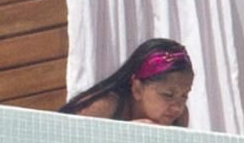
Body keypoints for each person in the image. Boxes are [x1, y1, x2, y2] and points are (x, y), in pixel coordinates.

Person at [59, 38, 194, 126]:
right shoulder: (102, 107)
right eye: (168, 95)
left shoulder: (178, 118)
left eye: (184, 96)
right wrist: (126, 133)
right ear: (137, 89)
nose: (177, 108)